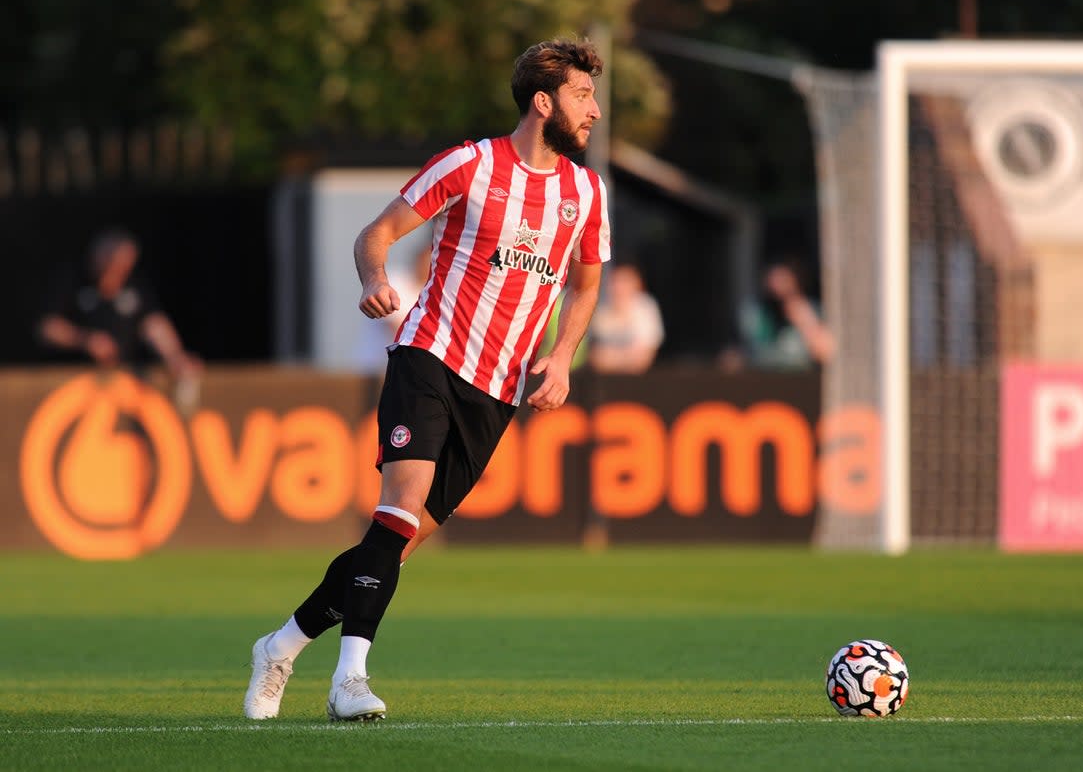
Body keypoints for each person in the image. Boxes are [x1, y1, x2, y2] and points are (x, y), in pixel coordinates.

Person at [243, 37, 611, 722]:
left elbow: (586, 286)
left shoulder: (586, 193)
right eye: (583, 94)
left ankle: (281, 645)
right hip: (431, 355)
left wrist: (561, 357)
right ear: (542, 100)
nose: (594, 109)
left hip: (496, 390)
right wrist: (375, 279)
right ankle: (350, 681)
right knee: (400, 505)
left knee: (392, 542)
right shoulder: (470, 164)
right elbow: (375, 234)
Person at [38, 227, 203, 386]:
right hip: (70, 382)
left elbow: (153, 324)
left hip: (122, 381)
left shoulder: (134, 286)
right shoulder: (72, 281)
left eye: (124, 267)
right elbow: (47, 328)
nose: (118, 273)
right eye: (113, 264)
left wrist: (174, 356)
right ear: (98, 257)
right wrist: (85, 340)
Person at [739, 259, 835, 369]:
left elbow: (825, 351)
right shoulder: (757, 312)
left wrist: (804, 316)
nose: (779, 283)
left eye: (785, 279)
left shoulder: (809, 309)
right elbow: (752, 350)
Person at [587, 262, 664, 374]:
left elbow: (644, 359)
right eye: (615, 281)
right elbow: (595, 358)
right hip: (603, 385)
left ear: (637, 283)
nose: (619, 287)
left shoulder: (646, 307)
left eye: (625, 281)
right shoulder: (599, 308)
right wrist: (627, 356)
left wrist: (611, 357)